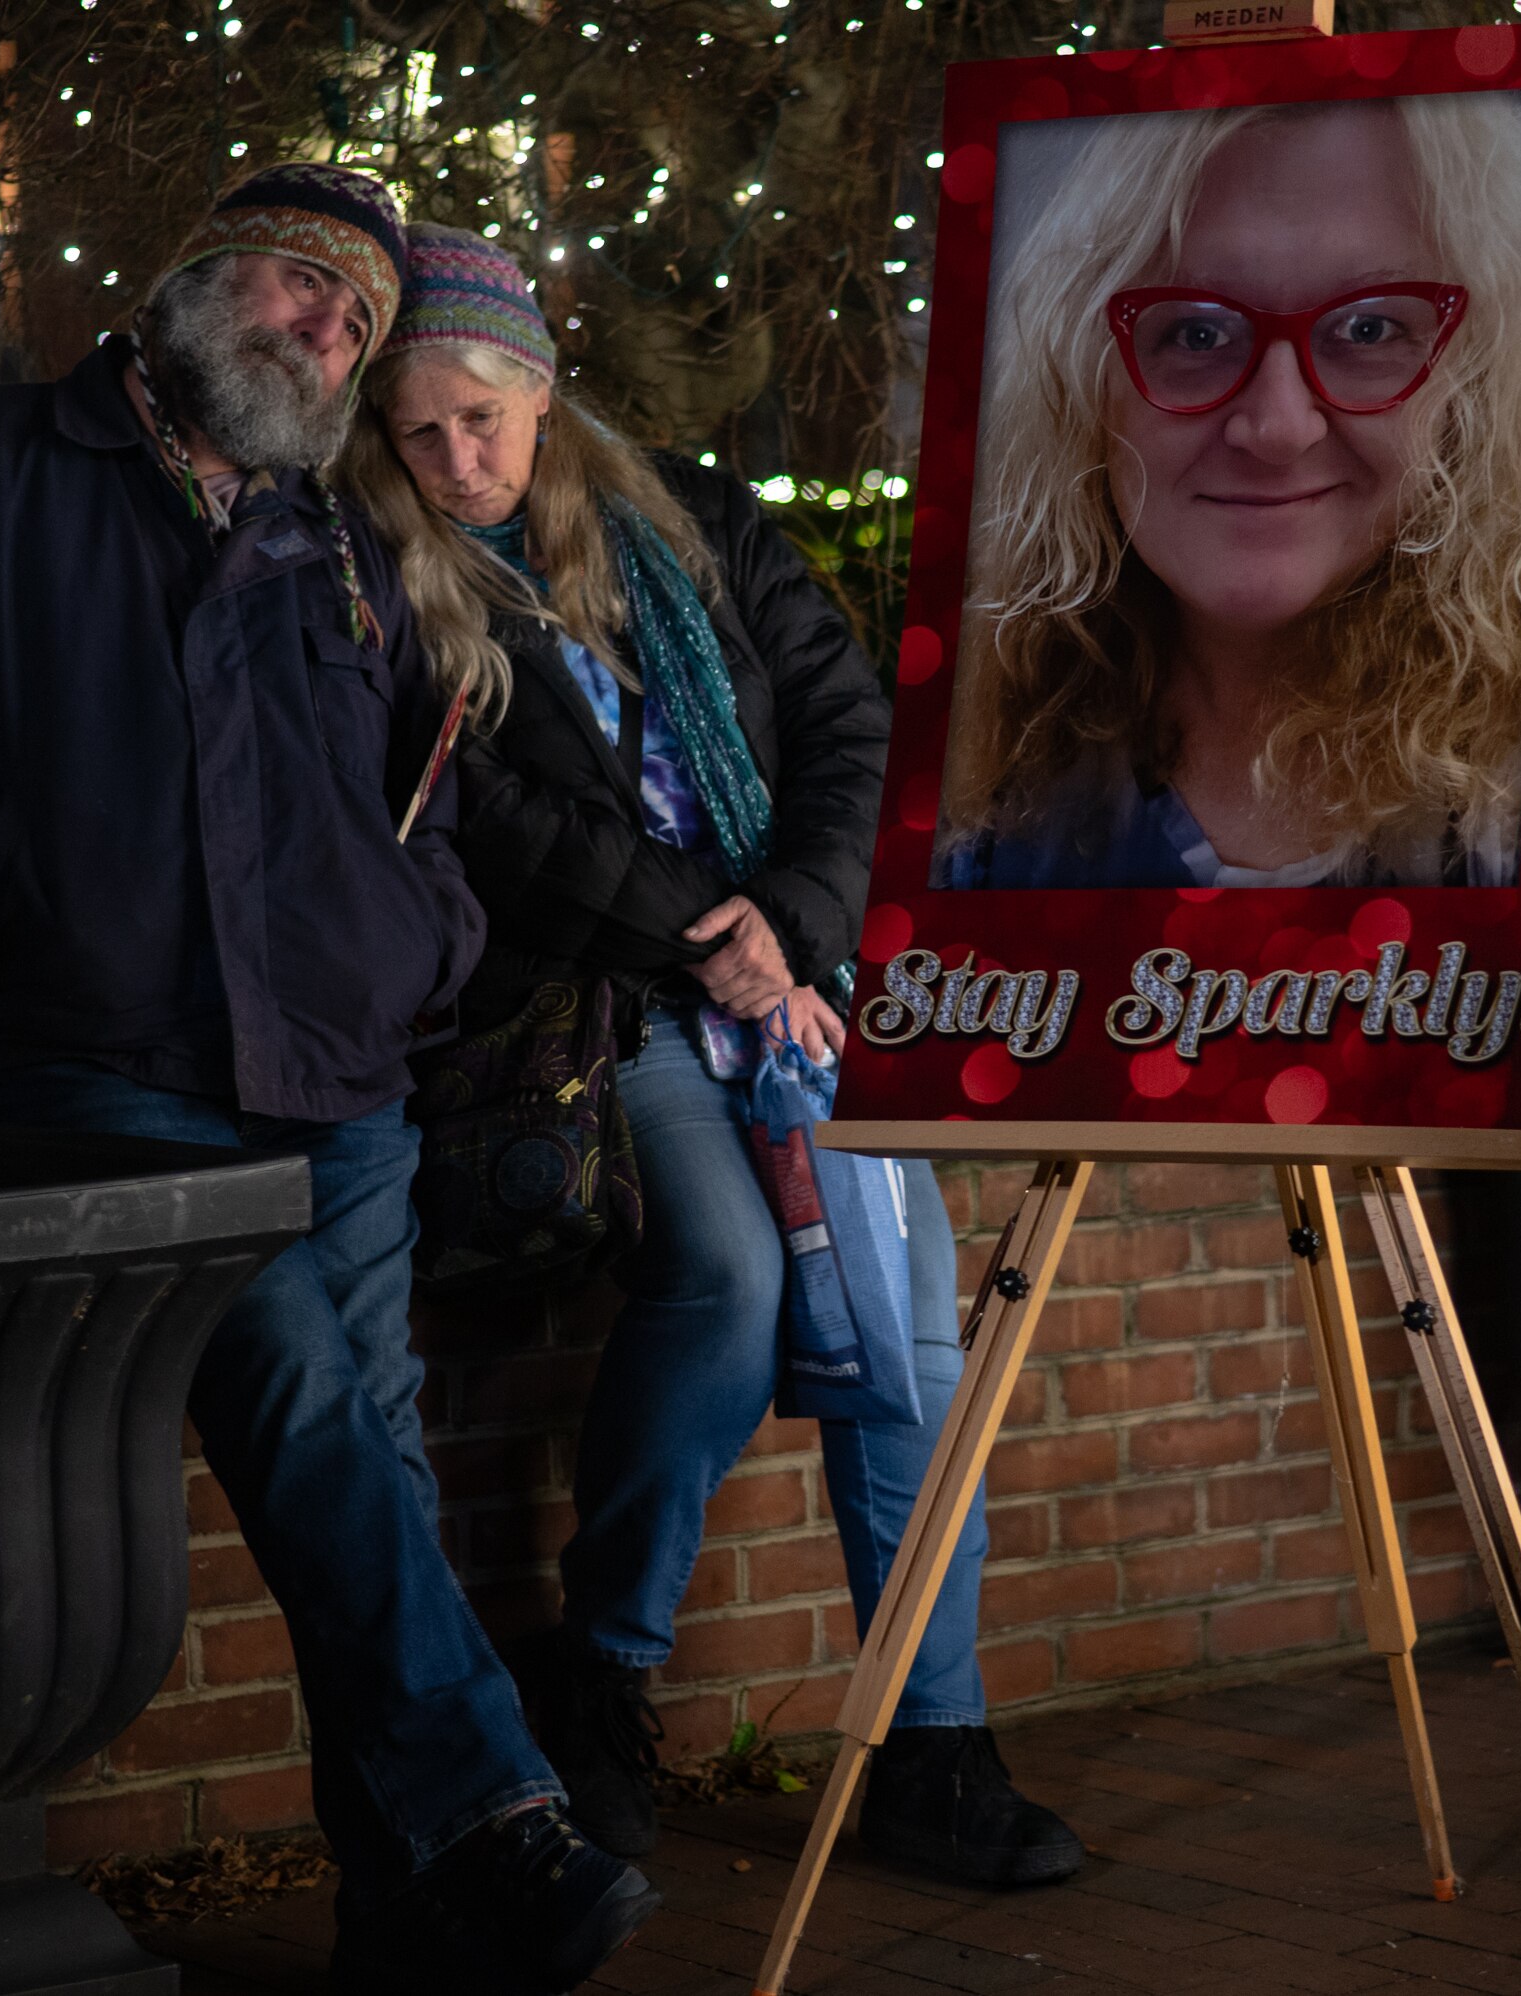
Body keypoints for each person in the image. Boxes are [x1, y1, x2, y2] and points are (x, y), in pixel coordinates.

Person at [0, 167, 659, 1996]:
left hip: (344, 1076)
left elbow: (433, 788)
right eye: (302, 286)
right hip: (94, 1056)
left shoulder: (335, 539)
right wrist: (6, 888)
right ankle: (495, 1815)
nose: (327, 332)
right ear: (188, 280)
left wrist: (425, 941)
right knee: (308, 1410)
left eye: (359, 324)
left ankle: (414, 1906)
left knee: (369, 1458)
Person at [337, 225, 1086, 1887]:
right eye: (421, 434)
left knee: (906, 1324)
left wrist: (792, 926)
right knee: (734, 1285)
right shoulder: (388, 583)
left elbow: (843, 727)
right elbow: (492, 817)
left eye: (484, 416)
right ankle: (603, 1671)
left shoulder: (690, 519)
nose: (461, 460)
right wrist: (708, 938)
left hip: (796, 985)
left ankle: (929, 1745)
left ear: (540, 389)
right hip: (617, 1005)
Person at [935, 92, 1521, 891]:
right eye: (1196, 333)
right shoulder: (968, 805)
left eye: (1369, 328)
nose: (1278, 428)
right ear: (1078, 387)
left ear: (1474, 384)